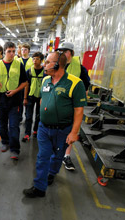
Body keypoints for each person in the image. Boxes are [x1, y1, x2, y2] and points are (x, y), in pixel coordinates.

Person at [23, 51, 86, 198]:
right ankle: (39, 187)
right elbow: (42, 99)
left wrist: (74, 132)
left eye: (48, 62)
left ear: (58, 65)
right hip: (44, 128)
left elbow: (78, 110)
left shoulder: (75, 83)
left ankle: (52, 173)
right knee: (42, 157)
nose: (44, 64)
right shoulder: (46, 80)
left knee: (57, 157)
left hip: (63, 130)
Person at [57, 42, 90, 171]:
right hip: (57, 103)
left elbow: (86, 87)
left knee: (69, 130)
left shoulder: (80, 69)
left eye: (62, 52)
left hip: (71, 105)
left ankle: (66, 155)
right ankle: (55, 153)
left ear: (69, 53)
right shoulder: (56, 65)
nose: (60, 54)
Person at [0, 41, 27, 160]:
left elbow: (25, 82)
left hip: (14, 102)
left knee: (13, 126)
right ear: (4, 52)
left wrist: (15, 91)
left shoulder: (19, 64)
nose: (12, 54)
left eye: (13, 51)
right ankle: (5, 142)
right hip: (0, 102)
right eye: (9, 51)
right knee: (2, 125)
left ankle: (15, 149)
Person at [22, 52, 45, 142]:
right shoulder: (29, 71)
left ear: (41, 60)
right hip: (30, 96)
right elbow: (26, 85)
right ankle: (27, 133)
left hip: (40, 97)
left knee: (39, 116)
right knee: (28, 116)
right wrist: (25, 98)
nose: (35, 61)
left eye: (37, 59)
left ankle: (35, 130)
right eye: (33, 59)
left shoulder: (45, 72)